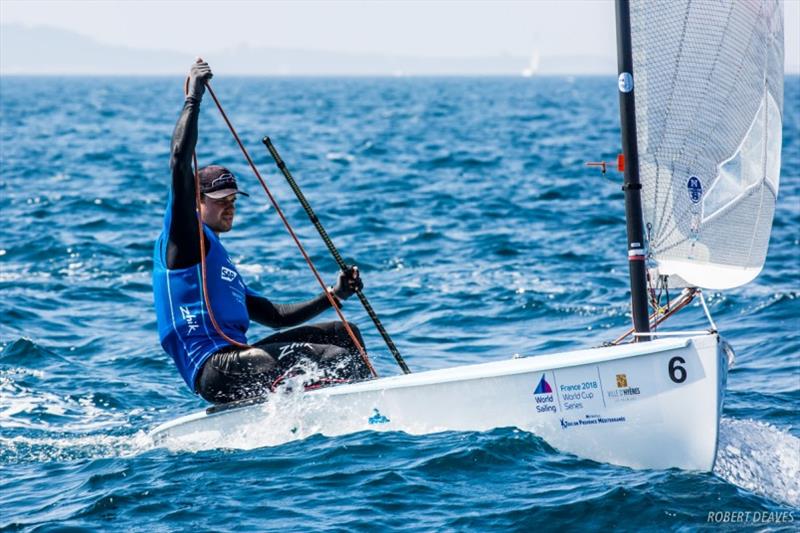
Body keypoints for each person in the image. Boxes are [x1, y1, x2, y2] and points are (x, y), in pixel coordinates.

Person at [152, 60, 372, 404]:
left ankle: (330, 405)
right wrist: (194, 97)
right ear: (196, 202)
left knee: (346, 336)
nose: (229, 206)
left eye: (233, 199)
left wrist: (336, 295)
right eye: (220, 199)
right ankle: (358, 415)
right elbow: (180, 158)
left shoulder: (218, 260)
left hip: (240, 360)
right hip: (215, 369)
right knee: (330, 359)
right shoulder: (183, 238)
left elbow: (273, 316)